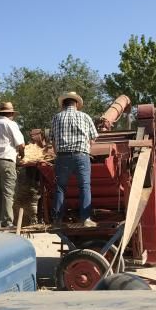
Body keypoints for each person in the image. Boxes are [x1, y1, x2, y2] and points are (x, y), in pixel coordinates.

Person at [50, 91, 98, 226]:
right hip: (81, 156)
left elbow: (52, 141)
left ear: (63, 104)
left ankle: (57, 220)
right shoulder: (85, 117)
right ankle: (85, 219)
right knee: (84, 186)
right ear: (76, 103)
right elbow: (93, 138)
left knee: (60, 188)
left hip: (62, 157)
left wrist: (58, 154)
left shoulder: (56, 118)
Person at [0, 101, 25, 227]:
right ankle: (7, 222)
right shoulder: (10, 124)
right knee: (8, 192)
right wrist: (22, 154)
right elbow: (21, 144)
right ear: (11, 113)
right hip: (6, 160)